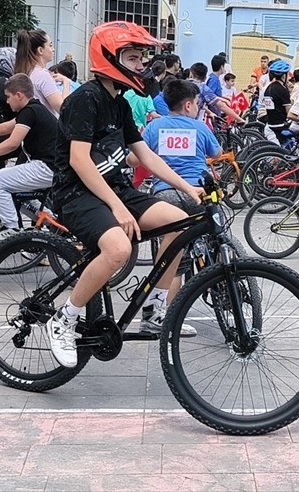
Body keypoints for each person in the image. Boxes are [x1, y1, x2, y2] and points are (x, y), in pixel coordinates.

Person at [45, 22, 206, 367]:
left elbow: (144, 153)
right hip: (76, 193)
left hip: (113, 188)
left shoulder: (119, 102)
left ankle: (155, 308)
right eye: (133, 58)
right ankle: (64, 318)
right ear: (108, 59)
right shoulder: (84, 99)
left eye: (141, 58)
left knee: (180, 222)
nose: (141, 66)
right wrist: (119, 208)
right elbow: (79, 160)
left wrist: (186, 187)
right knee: (119, 248)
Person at [0, 73, 60, 242]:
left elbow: (12, 144)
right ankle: (49, 219)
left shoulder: (30, 111)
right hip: (50, 166)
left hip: (47, 167)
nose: (7, 102)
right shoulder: (33, 109)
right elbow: (8, 127)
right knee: (13, 190)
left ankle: (12, 229)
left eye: (8, 97)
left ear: (19, 95)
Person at [141, 78, 222, 212]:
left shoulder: (153, 126)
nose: (198, 107)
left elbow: (135, 158)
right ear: (188, 106)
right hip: (198, 191)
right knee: (217, 228)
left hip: (163, 192)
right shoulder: (200, 127)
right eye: (197, 103)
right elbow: (217, 154)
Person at [15, 30, 68, 116]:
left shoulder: (27, 72)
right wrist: (66, 82)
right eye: (50, 45)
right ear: (40, 50)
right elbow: (63, 108)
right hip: (47, 127)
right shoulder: (42, 75)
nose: (53, 49)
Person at [258, 59, 292, 138]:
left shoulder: (268, 88)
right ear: (284, 76)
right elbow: (289, 113)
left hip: (270, 125)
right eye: (288, 74)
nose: (289, 77)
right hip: (280, 126)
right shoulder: (283, 90)